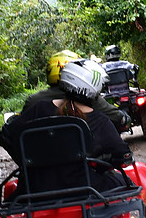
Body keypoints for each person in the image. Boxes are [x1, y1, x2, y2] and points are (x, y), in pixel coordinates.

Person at [17, 58, 131, 189]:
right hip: (84, 187)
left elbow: (7, 137)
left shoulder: (39, 108)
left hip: (35, 187)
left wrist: (27, 163)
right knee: (129, 185)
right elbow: (123, 154)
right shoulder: (100, 121)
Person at [21, 49, 130, 129]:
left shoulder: (33, 101)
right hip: (84, 155)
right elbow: (117, 118)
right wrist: (124, 118)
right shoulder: (88, 97)